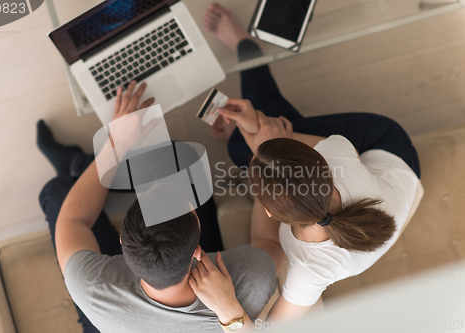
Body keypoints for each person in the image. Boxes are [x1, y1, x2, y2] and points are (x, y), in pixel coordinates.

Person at [203, 3, 421, 323]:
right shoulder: (338, 154)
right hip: (389, 147)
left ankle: (247, 60)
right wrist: (254, 128)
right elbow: (277, 138)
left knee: (250, 138)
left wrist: (229, 313)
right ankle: (247, 47)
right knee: (250, 139)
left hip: (386, 189)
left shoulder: (310, 271)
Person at [37, 80, 282, 333]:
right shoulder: (246, 281)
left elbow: (73, 220)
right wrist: (269, 155)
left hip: (112, 322)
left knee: (57, 192)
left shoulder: (91, 288)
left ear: (123, 241)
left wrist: (116, 142)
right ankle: (82, 166)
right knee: (177, 159)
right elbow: (271, 242)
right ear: (198, 250)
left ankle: (78, 165)